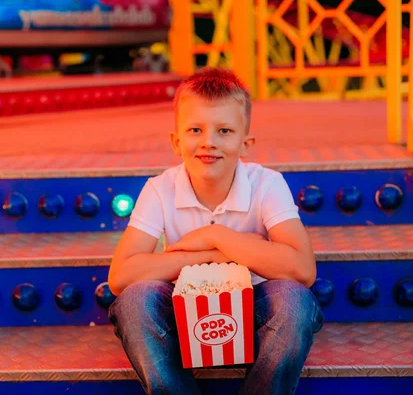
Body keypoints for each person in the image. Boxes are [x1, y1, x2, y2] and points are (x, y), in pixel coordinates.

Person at [108, 67, 324, 395]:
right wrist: (214, 253)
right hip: (183, 314)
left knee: (295, 303)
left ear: (245, 143)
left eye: (224, 131)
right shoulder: (159, 189)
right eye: (195, 129)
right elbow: (121, 276)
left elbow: (303, 270)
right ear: (176, 142)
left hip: (254, 311)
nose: (209, 142)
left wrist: (217, 235)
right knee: (135, 302)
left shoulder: (266, 184)